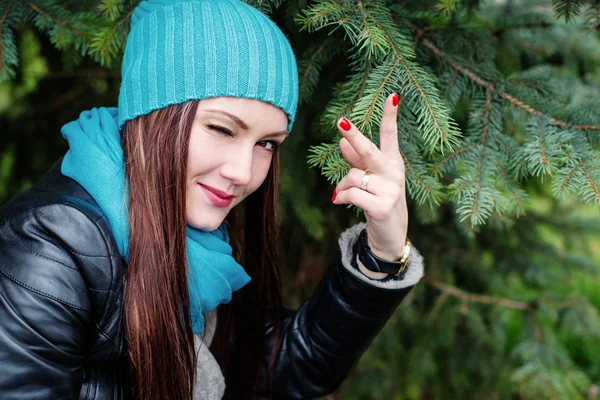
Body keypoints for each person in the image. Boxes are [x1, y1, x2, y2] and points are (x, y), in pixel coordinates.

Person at [0, 0, 424, 399]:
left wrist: (382, 251)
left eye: (268, 144)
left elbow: (273, 368)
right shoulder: (50, 250)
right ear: (151, 114)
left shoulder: (197, 238)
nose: (243, 172)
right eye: (222, 129)